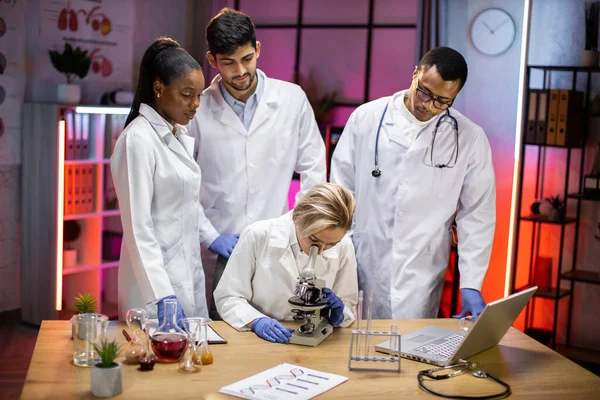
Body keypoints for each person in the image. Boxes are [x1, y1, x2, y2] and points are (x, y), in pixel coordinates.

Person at [331, 46, 495, 320]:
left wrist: (471, 283)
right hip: (362, 261)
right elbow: (340, 192)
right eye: (424, 92)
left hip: (422, 274)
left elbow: (477, 215)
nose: (428, 106)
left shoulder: (469, 138)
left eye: (442, 101)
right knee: (354, 347)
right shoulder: (367, 118)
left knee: (410, 350)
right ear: (416, 74)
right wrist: (337, 262)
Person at [188, 7, 326, 317]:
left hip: (275, 243)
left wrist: (295, 228)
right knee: (222, 332)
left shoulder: (292, 100)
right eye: (228, 63)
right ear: (212, 60)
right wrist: (210, 236)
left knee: (273, 333)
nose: (240, 71)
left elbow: (314, 172)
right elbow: (182, 184)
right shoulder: (197, 110)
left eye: (246, 59)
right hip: (219, 247)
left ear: (258, 50)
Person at [111, 37, 211, 324]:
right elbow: (138, 228)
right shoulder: (138, 140)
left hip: (187, 275)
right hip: (153, 289)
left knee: (193, 362)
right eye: (187, 94)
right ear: (158, 88)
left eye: (199, 95)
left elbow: (186, 208)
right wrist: (162, 296)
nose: (195, 104)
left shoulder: (176, 135)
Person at [213, 183, 358, 343]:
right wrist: (256, 321)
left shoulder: (344, 245)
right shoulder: (258, 235)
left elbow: (348, 303)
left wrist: (338, 313)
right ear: (298, 218)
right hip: (260, 341)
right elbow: (228, 297)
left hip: (320, 343)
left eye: (331, 244)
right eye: (314, 240)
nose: (321, 250)